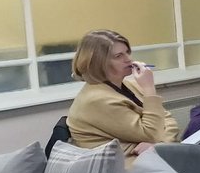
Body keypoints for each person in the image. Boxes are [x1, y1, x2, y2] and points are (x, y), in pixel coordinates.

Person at [66, 29, 179, 164]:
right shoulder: (96, 100)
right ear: (99, 62)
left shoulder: (127, 84)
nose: (128, 59)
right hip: (124, 169)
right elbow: (151, 133)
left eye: (127, 53)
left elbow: (166, 118)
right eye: (119, 56)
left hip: (149, 158)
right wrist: (149, 88)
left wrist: (161, 144)